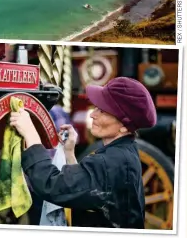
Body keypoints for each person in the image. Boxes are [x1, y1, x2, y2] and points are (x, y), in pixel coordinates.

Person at [10, 77, 156, 228]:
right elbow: (86, 190)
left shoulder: (109, 162)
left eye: (103, 111)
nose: (93, 114)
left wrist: (31, 134)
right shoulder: (124, 152)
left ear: (124, 127)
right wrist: (69, 154)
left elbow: (53, 186)